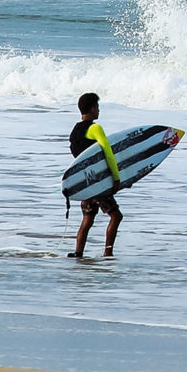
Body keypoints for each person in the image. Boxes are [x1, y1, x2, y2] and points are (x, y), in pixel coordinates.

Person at [69, 92, 123, 259]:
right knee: (116, 216)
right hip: (98, 182)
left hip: (84, 182)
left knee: (88, 218)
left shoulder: (75, 131)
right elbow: (108, 152)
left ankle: (78, 253)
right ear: (92, 109)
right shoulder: (95, 128)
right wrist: (115, 177)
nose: (99, 110)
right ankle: (108, 252)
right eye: (97, 107)